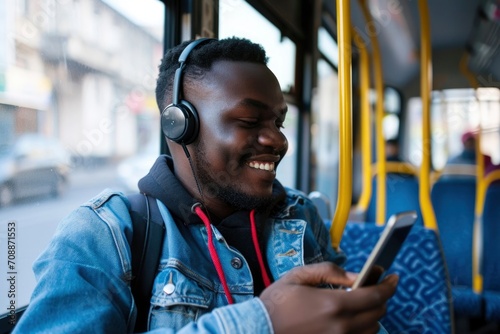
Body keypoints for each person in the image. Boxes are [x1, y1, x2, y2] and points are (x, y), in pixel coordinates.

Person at [15, 37, 397, 333]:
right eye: (250, 122)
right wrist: (263, 323)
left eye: (278, 124)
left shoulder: (299, 213)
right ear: (180, 125)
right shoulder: (104, 235)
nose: (278, 141)